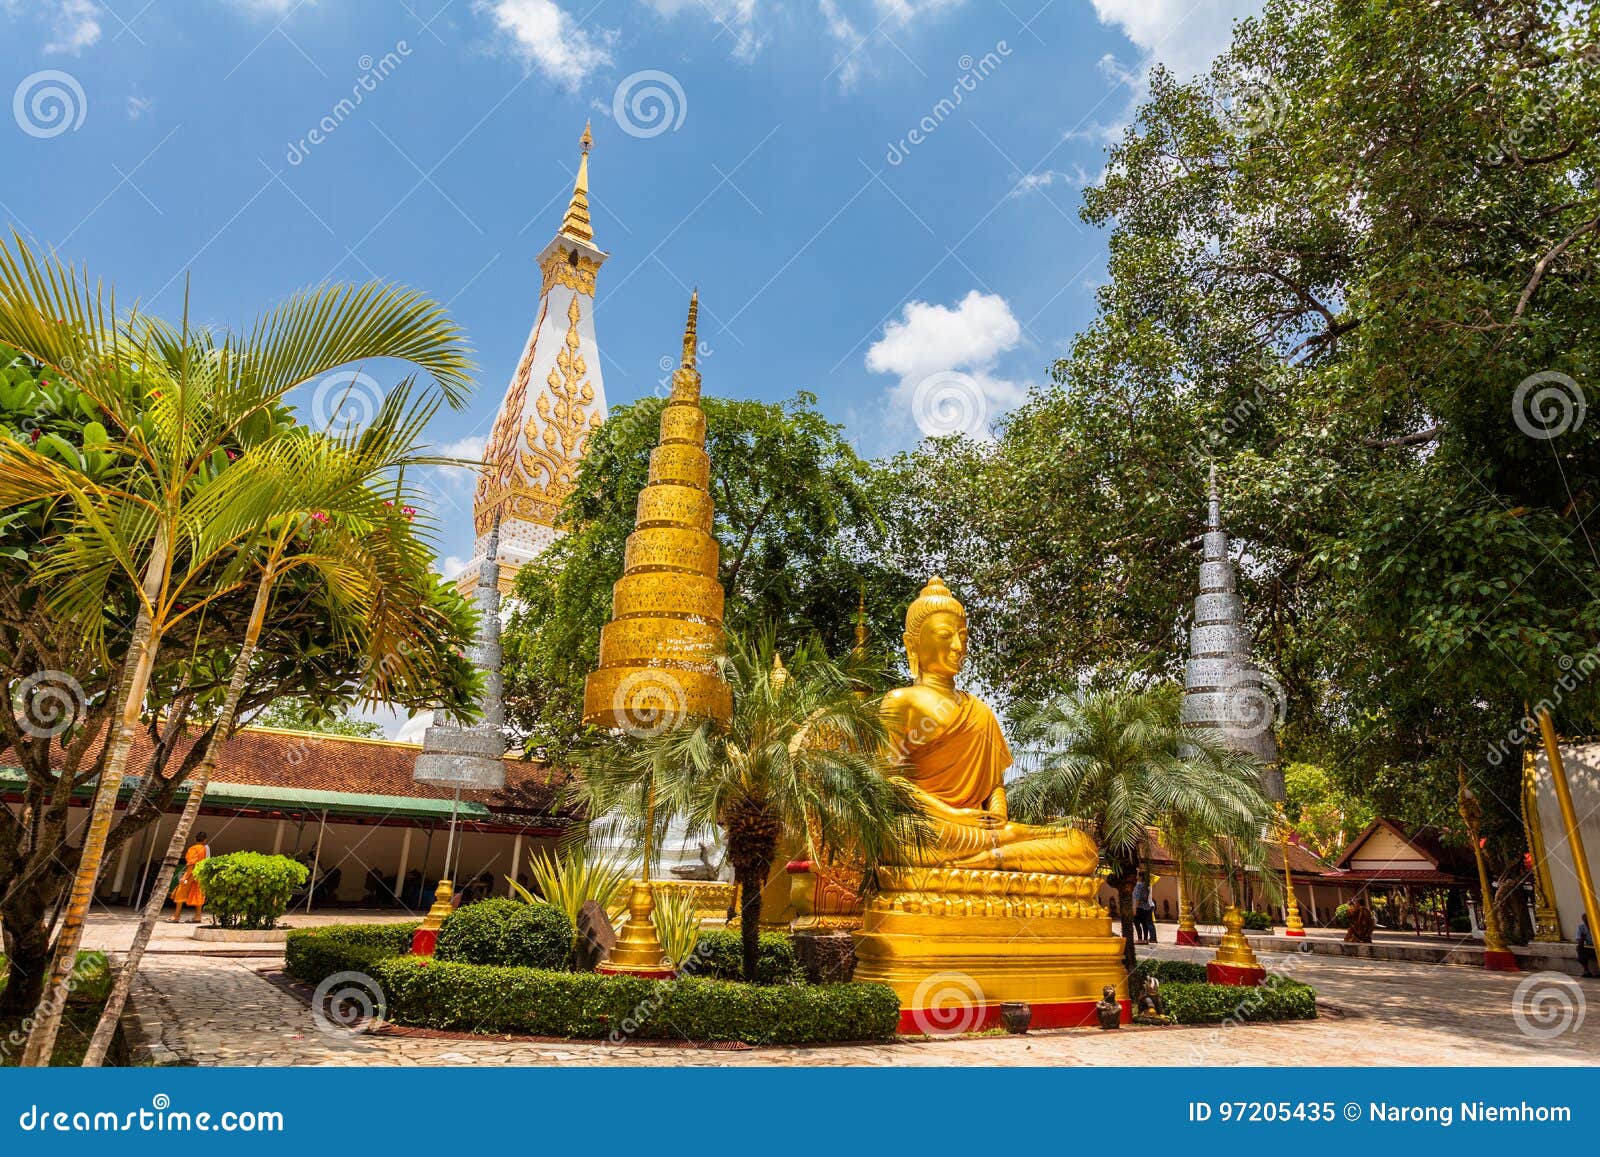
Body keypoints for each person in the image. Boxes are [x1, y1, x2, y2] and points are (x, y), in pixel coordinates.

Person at [170, 831, 210, 924]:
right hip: (201, 873)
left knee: (180, 892)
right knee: (198, 893)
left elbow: (191, 863)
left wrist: (185, 876)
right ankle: (197, 916)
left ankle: (176, 916)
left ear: (195, 839)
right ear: (205, 840)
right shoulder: (206, 848)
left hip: (192, 873)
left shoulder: (193, 848)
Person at [1136, 875, 1158, 944]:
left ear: (1141, 877)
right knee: (1148, 922)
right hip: (1149, 905)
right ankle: (1152, 937)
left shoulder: (1142, 885)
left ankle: (1152, 938)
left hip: (1146, 905)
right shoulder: (1148, 885)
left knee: (1147, 922)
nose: (1137, 877)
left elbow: (1140, 897)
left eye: (1138, 876)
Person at [1578, 913, 1597, 978]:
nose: (1586, 922)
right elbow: (1579, 940)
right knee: (1580, 948)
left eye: (1587, 921)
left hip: (1598, 946)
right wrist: (1582, 938)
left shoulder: (1597, 925)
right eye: (1585, 921)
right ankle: (1586, 971)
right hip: (1590, 947)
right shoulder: (1581, 927)